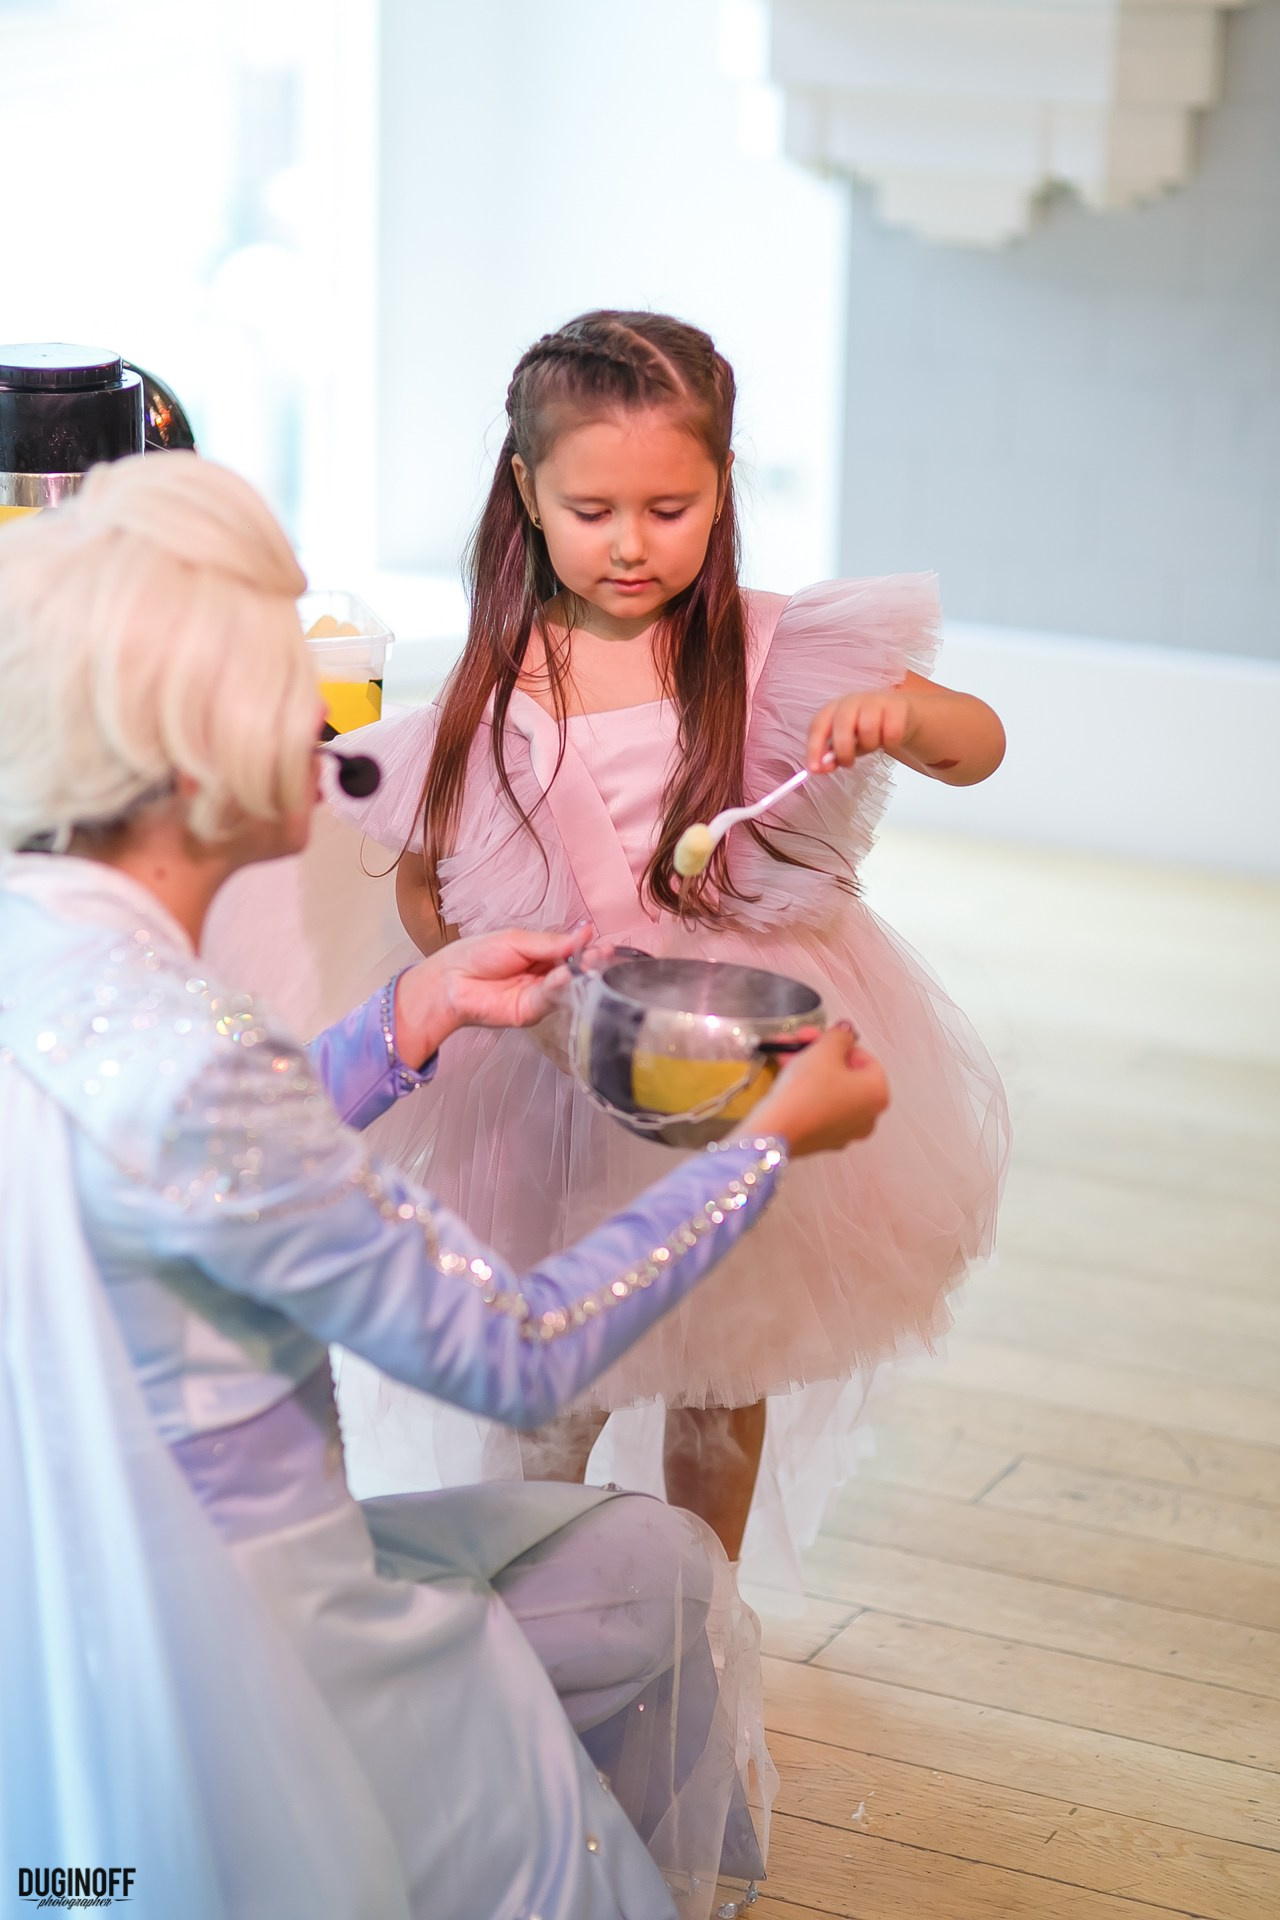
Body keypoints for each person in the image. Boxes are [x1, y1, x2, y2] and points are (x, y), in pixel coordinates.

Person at [0, 452, 890, 1920]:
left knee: (640, 1572)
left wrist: (404, 1021)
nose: (328, 721)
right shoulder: (192, 1055)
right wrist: (760, 1146)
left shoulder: (53, 953)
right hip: (258, 1643)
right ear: (195, 745)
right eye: (297, 690)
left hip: (68, 1612)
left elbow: (189, 1173)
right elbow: (510, 1345)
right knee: (638, 1608)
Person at [317, 310, 1010, 1582]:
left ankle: (704, 1600)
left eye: (669, 507)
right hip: (555, 1063)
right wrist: (483, 976)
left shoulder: (764, 650)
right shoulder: (490, 684)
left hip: (737, 1037)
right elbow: (428, 880)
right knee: (557, 1359)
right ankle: (535, 1587)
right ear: (524, 492)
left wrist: (905, 713)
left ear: (722, 488)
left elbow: (979, 745)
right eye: (592, 510)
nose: (631, 545)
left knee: (727, 1351)